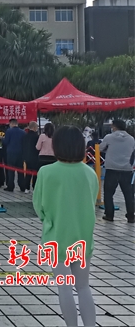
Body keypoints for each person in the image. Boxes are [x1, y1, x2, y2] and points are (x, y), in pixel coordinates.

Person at [32, 126, 97, 327]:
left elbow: (38, 205)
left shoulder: (46, 172)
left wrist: (48, 220)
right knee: (83, 287)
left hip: (56, 236)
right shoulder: (89, 173)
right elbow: (92, 201)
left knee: (65, 288)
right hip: (83, 236)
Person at [99, 119, 135, 223]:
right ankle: (131, 216)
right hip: (127, 169)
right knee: (128, 194)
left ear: (114, 127)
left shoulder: (109, 137)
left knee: (108, 193)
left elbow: (100, 148)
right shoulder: (131, 139)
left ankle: (109, 215)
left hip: (112, 169)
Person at [2, 119, 25, 192]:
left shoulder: (9, 131)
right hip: (20, 153)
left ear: (11, 124)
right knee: (20, 171)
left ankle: (11, 186)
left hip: (11, 153)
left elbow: (6, 142)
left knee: (11, 170)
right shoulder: (23, 132)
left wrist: (2, 139)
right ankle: (22, 186)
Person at [21, 121, 40, 192]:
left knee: (28, 173)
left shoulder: (25, 136)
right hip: (35, 157)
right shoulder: (37, 136)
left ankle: (27, 188)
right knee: (35, 173)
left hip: (26, 156)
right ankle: (34, 187)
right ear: (34, 127)